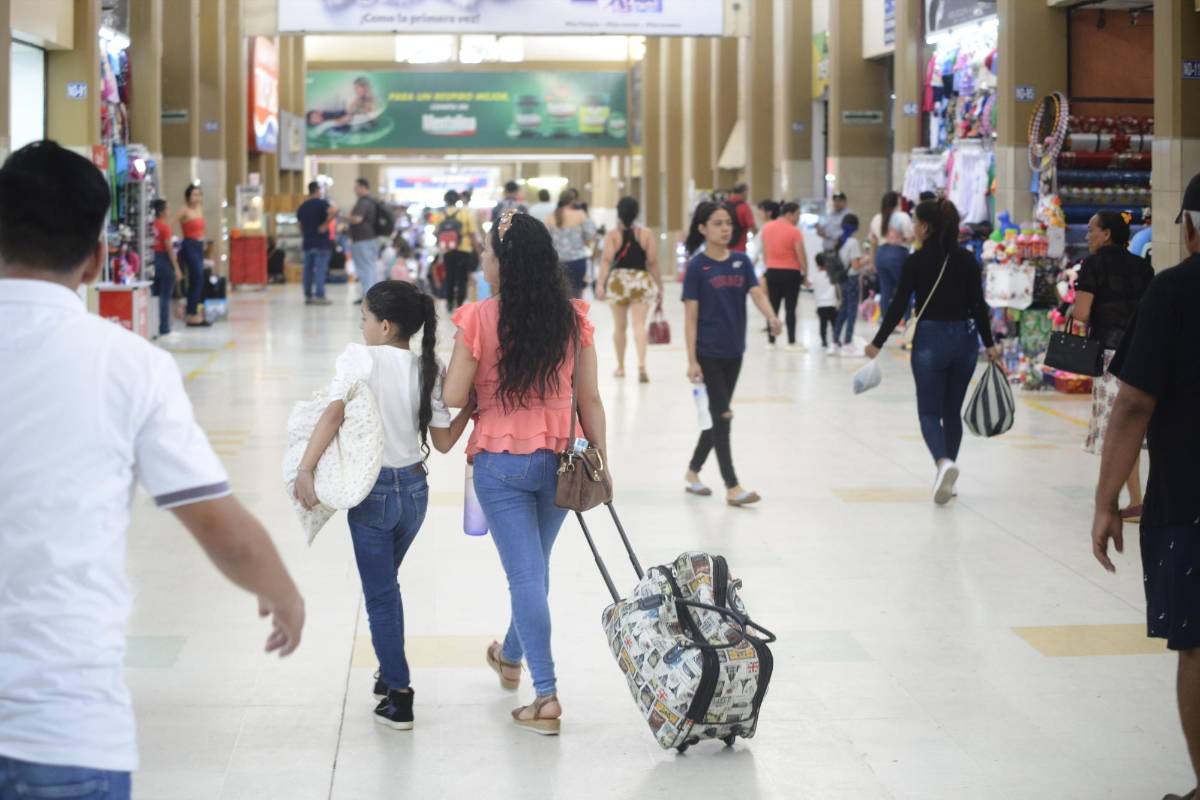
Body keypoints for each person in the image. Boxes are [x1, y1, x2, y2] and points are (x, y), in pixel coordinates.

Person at [0, 140, 305, 800]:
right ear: (97, 257)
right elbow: (219, 527)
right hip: (62, 728)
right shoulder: (128, 364)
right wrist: (283, 592)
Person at [443, 210, 606, 735]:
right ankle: (509, 655)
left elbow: (449, 396)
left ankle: (547, 694)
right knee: (535, 570)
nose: (484, 259)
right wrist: (601, 460)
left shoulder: (479, 318)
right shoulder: (573, 318)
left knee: (526, 575)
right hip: (560, 459)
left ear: (504, 263)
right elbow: (592, 399)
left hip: (500, 463)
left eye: (488, 252)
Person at [293, 280, 472, 731]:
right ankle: (387, 667)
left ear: (385, 324)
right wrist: (474, 408)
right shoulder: (428, 365)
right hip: (415, 494)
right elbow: (445, 442)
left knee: (381, 597)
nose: (362, 325)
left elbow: (332, 415)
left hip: (372, 496)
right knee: (386, 585)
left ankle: (399, 692)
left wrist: (305, 469)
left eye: (365, 318)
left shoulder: (359, 358)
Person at [1091, 174, 1200, 800]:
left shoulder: (1176, 292)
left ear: (1189, 228)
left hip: (1191, 499)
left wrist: (1106, 500)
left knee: (1197, 646)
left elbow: (1132, 404)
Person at [865, 198, 1001, 505]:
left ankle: (943, 463)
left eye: (915, 221)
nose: (912, 227)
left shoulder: (916, 261)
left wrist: (878, 341)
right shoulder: (967, 259)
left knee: (929, 412)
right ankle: (947, 479)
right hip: (965, 340)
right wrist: (989, 343)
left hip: (930, 339)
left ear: (925, 226)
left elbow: (898, 304)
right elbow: (978, 305)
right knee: (951, 411)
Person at [682, 201, 783, 507]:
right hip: (708, 352)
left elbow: (756, 293)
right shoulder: (697, 268)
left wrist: (771, 317)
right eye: (717, 223)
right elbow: (690, 316)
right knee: (723, 416)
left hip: (735, 351)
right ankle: (732, 486)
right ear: (702, 228)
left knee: (717, 415)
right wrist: (691, 360)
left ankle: (692, 472)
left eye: (728, 223)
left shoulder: (741, 261)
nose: (725, 228)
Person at [1072, 210, 1154, 522]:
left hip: (1110, 355)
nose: (1087, 235)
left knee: (1118, 429)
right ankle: (1137, 499)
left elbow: (1081, 314)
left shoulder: (1093, 265)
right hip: (1141, 353)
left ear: (1106, 234)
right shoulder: (1142, 266)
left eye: (1092, 230)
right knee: (1136, 426)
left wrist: (1071, 306)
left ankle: (1134, 500)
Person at [595, 196, 662, 383]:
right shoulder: (646, 234)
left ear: (619, 213)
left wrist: (600, 284)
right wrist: (659, 285)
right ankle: (641, 365)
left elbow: (606, 261)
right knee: (639, 324)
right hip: (641, 280)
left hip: (618, 282)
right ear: (636, 213)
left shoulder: (612, 235)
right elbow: (653, 262)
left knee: (619, 326)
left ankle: (621, 367)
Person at [759, 201, 808, 351]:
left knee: (772, 307)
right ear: (789, 214)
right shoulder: (794, 231)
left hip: (772, 271)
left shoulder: (767, 228)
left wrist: (768, 267)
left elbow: (764, 252)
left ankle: (771, 341)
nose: (798, 218)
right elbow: (801, 255)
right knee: (790, 308)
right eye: (797, 215)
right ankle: (791, 342)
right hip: (791, 273)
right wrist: (805, 273)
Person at [869, 190, 916, 325]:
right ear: (897, 202)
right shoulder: (902, 217)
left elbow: (873, 241)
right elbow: (909, 236)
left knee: (885, 291)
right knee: (904, 290)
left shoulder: (877, 218)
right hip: (898, 255)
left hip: (881, 254)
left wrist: (872, 261)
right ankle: (907, 321)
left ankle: (886, 323)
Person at [545, 188, 597, 299]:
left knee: (559, 293)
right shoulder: (580, 214)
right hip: (577, 259)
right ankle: (576, 315)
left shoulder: (550, 216)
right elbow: (590, 234)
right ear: (573, 200)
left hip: (557, 260)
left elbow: (546, 238)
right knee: (576, 293)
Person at [437, 189, 480, 313]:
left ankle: (449, 303)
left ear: (445, 200)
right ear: (458, 200)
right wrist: (477, 250)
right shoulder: (465, 213)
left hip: (447, 250)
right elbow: (472, 233)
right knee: (462, 278)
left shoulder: (441, 215)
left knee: (449, 277)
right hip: (464, 250)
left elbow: (438, 233)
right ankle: (460, 304)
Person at [296, 180, 337, 306]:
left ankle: (308, 295)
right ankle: (320, 295)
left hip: (308, 242)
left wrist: (305, 233)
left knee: (307, 270)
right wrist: (325, 224)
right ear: (317, 190)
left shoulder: (303, 206)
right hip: (321, 243)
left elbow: (299, 225)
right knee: (320, 269)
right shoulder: (322, 203)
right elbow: (334, 211)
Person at [831, 214, 865, 354]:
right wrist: (866, 260)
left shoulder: (838, 241)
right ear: (855, 227)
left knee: (843, 310)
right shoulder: (853, 242)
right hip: (851, 279)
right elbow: (855, 265)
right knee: (852, 311)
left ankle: (834, 341)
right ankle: (847, 342)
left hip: (842, 279)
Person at [177, 183, 209, 327]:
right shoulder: (184, 211)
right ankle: (191, 313)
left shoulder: (200, 210)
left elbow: (202, 229)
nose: (197, 198)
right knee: (197, 278)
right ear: (188, 196)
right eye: (194, 194)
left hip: (199, 246)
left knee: (199, 280)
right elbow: (169, 224)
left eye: (199, 194)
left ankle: (193, 311)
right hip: (189, 245)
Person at [150, 198, 182, 338]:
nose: (170, 211)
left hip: (151, 261)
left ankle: (152, 326)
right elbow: (170, 249)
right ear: (162, 211)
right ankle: (164, 327)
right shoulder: (164, 227)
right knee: (165, 296)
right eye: (167, 208)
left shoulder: (150, 226)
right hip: (164, 260)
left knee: (154, 295)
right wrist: (176, 268)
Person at [348, 177, 380, 301]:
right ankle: (369, 295)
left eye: (356, 187)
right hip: (369, 238)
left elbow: (357, 219)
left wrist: (344, 217)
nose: (355, 190)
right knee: (369, 267)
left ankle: (368, 296)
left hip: (362, 239)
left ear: (362, 187)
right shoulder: (371, 201)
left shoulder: (364, 202)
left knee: (364, 268)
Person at [811, 254, 840, 353]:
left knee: (822, 324)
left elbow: (812, 288)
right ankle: (836, 340)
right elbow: (836, 288)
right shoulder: (832, 274)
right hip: (831, 303)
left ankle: (824, 342)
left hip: (820, 305)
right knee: (834, 323)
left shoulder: (815, 276)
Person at [725, 182, 757, 253]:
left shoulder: (724, 205)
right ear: (744, 192)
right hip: (739, 247)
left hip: (723, 247)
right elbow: (752, 226)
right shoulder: (744, 207)